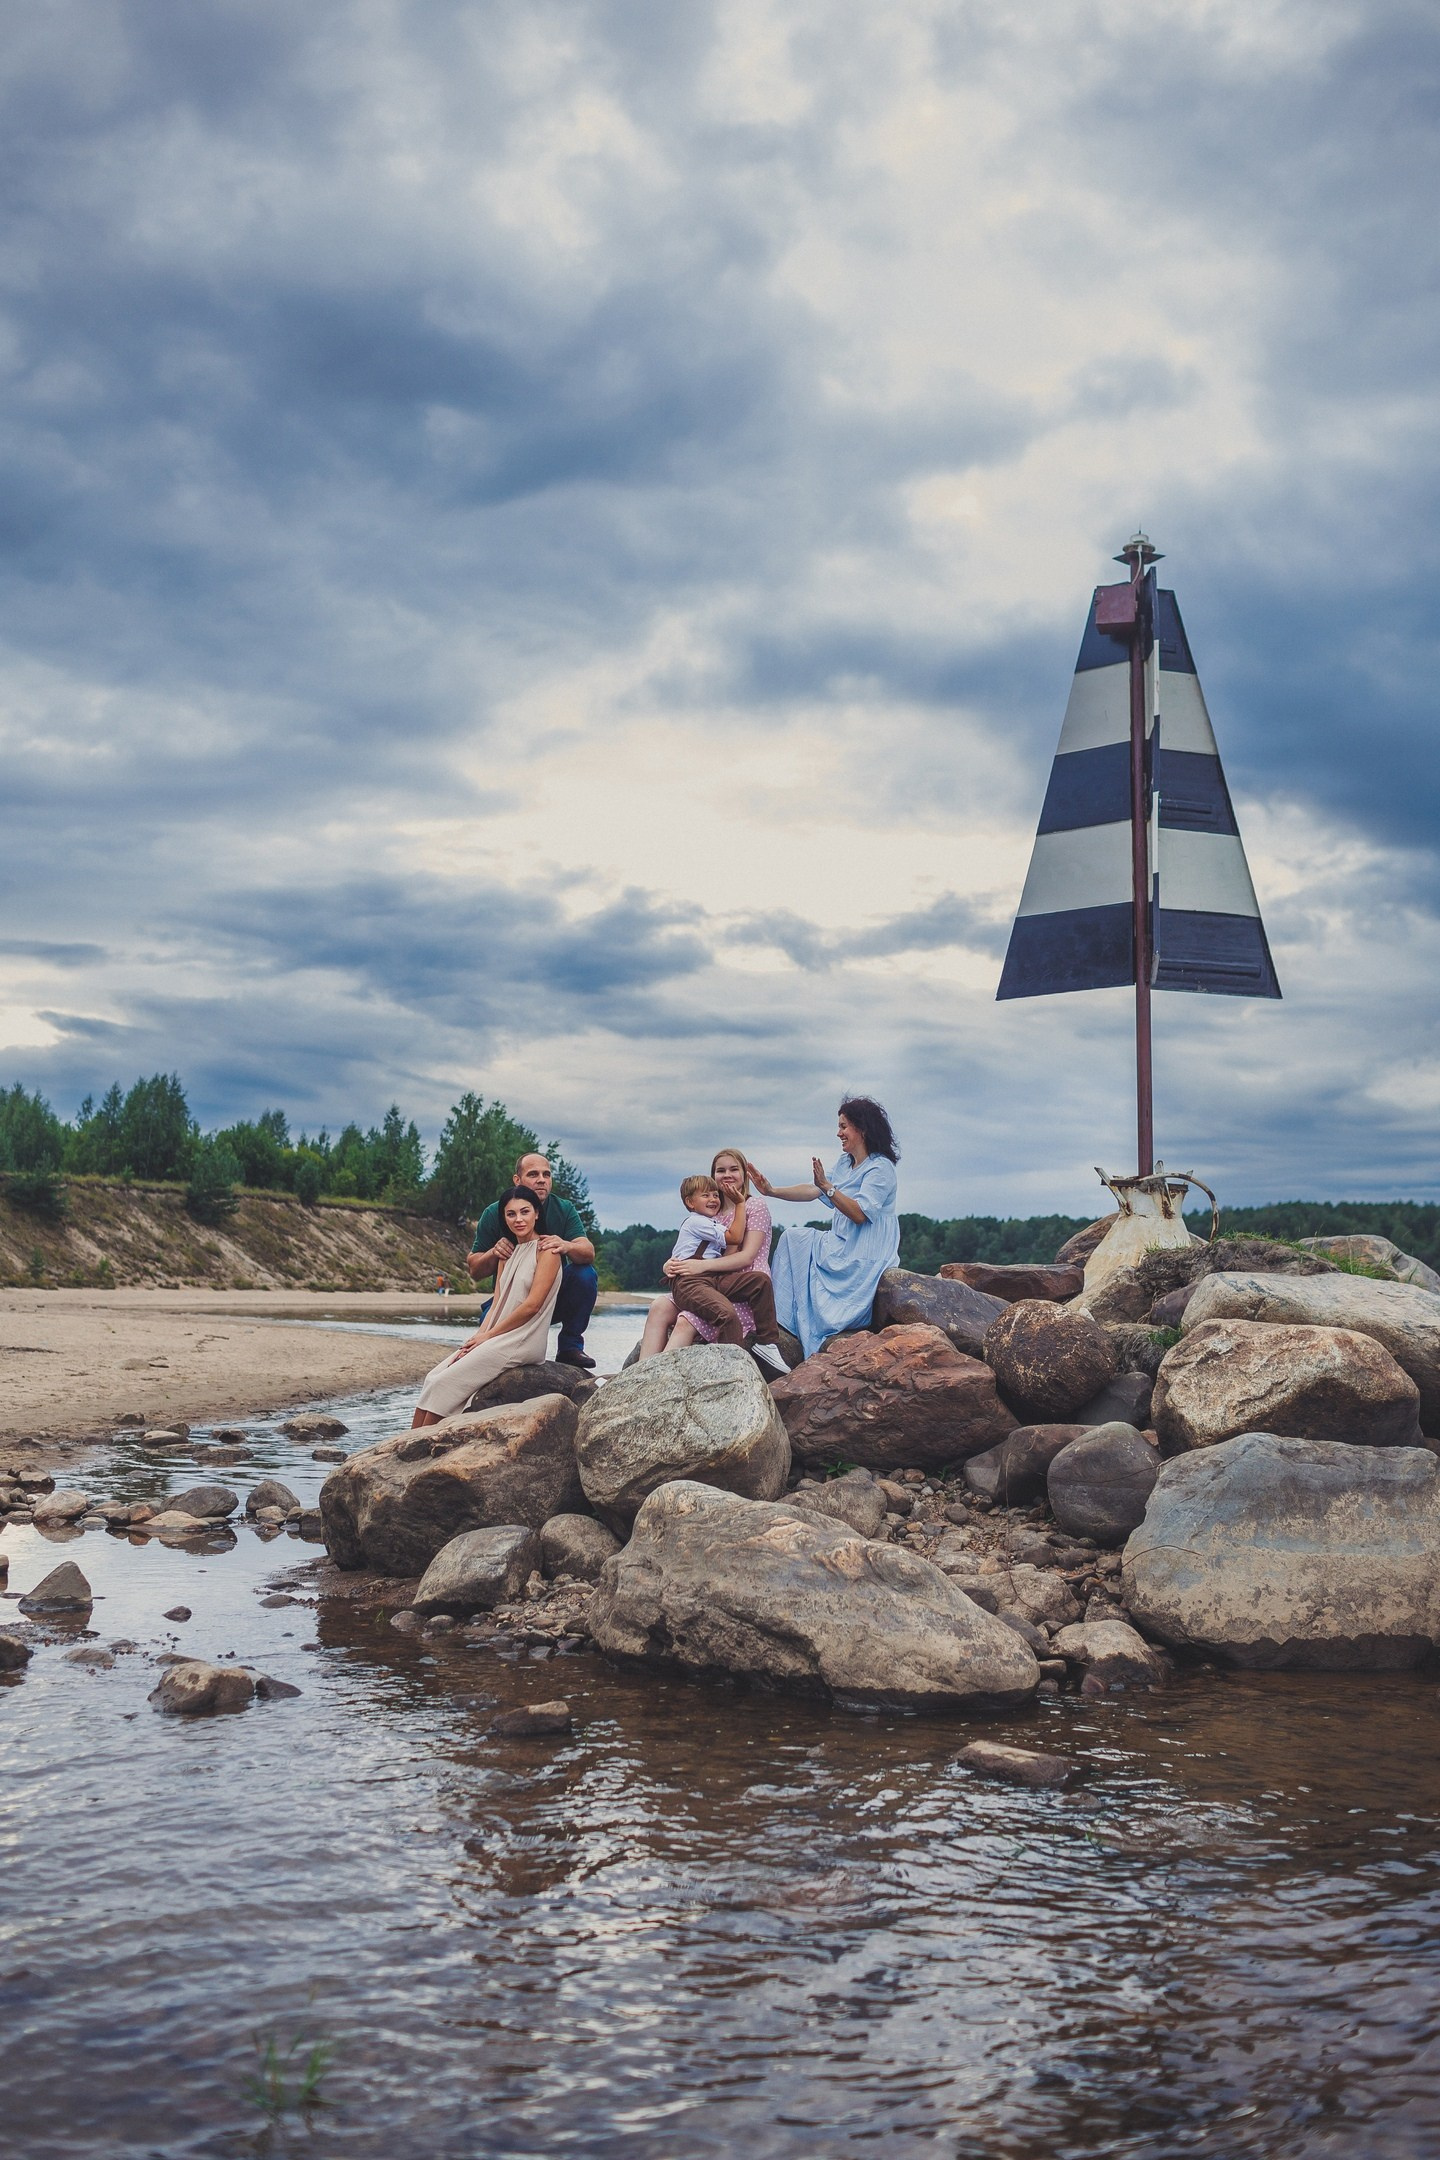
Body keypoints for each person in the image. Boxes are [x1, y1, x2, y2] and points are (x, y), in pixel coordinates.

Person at [748, 1096, 900, 1359]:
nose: (838, 1133)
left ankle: (793, 1329)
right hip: (839, 1243)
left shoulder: (880, 1168)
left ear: (861, 1129)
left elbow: (859, 1214)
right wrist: (771, 1190)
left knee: (798, 1239)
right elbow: (813, 1188)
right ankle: (778, 1325)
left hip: (863, 1254)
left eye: (844, 1126)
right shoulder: (845, 1163)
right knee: (792, 1237)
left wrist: (828, 1187)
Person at [412, 1186, 563, 1424]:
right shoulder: (507, 1252)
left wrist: (489, 1336)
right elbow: (497, 1303)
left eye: (525, 1212)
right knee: (433, 1378)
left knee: (445, 1383)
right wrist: (478, 1337)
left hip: (523, 1339)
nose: (518, 1219)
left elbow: (533, 1305)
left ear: (537, 1213)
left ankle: (416, 1448)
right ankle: (406, 1446)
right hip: (495, 1334)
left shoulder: (547, 1251)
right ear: (504, 1217)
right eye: (511, 1214)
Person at [635, 1149, 773, 1361]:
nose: (727, 1174)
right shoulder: (709, 1213)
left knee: (686, 1320)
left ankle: (661, 1376)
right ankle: (641, 1372)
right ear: (713, 1176)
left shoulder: (753, 1205)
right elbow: (688, 1249)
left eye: (734, 1169)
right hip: (709, 1281)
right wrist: (668, 1265)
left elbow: (745, 1257)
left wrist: (700, 1267)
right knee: (659, 1305)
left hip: (740, 1282)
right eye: (720, 1170)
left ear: (745, 1174)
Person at [467, 1151, 598, 1369]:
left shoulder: (563, 1209)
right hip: (508, 1302)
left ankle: (569, 1347)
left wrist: (567, 1245)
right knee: (486, 1343)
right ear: (517, 1180)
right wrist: (493, 1252)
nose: (541, 1180)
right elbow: (474, 1269)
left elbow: (588, 1251)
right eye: (533, 1174)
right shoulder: (495, 1212)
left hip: (551, 1298)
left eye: (547, 1175)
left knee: (585, 1274)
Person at [661, 1173, 789, 1375]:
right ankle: (732, 1372)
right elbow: (735, 1236)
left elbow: (733, 1247)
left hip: (712, 1278)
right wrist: (740, 1203)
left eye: (715, 1195)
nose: (713, 1199)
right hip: (690, 1283)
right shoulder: (697, 1222)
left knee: (760, 1281)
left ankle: (767, 1343)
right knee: (726, 1314)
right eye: (706, 1195)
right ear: (690, 1202)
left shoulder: (713, 1221)